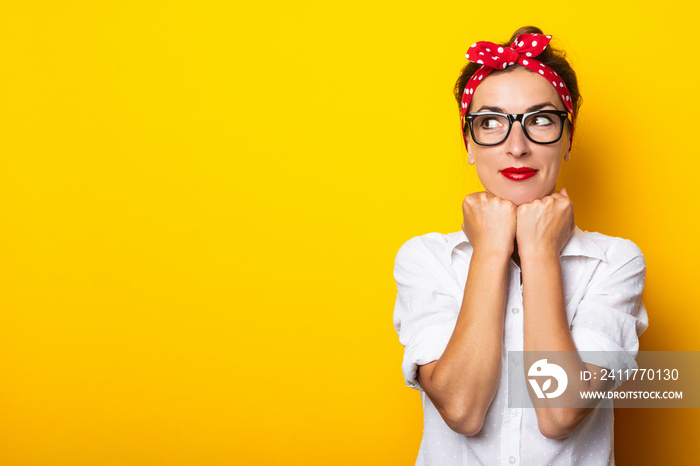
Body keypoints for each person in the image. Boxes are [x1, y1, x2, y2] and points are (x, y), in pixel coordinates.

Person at [392, 26, 648, 465]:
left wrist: (540, 253)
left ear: (568, 139)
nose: (516, 146)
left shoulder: (615, 262)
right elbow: (461, 409)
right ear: (468, 144)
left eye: (540, 120)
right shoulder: (425, 258)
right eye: (490, 122)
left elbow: (560, 411)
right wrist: (491, 251)